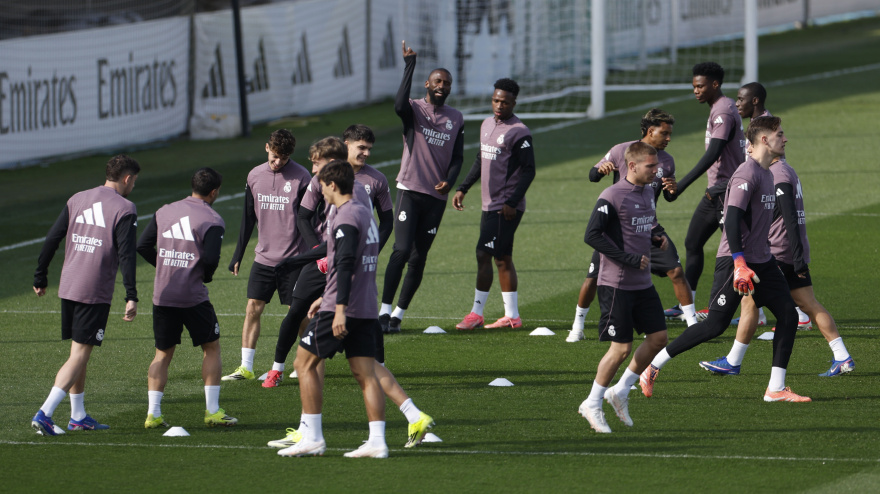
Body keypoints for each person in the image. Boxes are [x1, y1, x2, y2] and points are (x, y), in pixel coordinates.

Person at [640, 116, 811, 403]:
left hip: (762, 261)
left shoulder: (768, 173)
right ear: (765, 140)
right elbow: (731, 221)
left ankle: (776, 388)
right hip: (736, 262)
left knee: (788, 315)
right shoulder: (747, 174)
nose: (785, 138)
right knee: (714, 326)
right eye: (780, 134)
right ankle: (652, 366)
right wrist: (739, 262)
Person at [698, 137, 854, 378]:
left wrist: (796, 256)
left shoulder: (777, 174)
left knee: (749, 302)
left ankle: (733, 361)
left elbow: (788, 216)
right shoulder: (786, 170)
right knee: (808, 303)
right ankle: (842, 355)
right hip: (792, 249)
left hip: (778, 250)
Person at [276, 161, 388, 458]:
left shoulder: (346, 216)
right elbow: (337, 254)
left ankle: (313, 437)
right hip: (364, 305)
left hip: (342, 307)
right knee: (365, 373)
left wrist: (337, 307)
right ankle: (377, 442)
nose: (319, 190)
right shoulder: (364, 214)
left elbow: (346, 260)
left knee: (303, 364)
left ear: (333, 186)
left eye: (322, 185)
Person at [31, 155, 140, 435]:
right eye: (134, 181)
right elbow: (127, 255)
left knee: (78, 353)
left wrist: (40, 275)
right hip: (94, 290)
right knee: (79, 355)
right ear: (127, 178)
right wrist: (132, 294)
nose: (134, 186)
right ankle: (45, 412)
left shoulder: (77, 198)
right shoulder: (125, 208)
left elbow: (52, 237)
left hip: (69, 285)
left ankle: (78, 415)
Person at [568, 109, 698, 343]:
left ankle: (693, 325)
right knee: (593, 277)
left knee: (676, 271)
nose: (669, 139)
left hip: (649, 227)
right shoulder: (621, 150)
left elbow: (667, 196)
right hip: (619, 231)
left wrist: (672, 190)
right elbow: (592, 175)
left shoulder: (667, 161)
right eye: (665, 133)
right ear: (651, 131)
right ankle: (577, 326)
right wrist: (600, 170)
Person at [578, 142, 669, 433]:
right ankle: (592, 403)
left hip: (642, 284)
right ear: (632, 166)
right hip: (615, 284)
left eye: (656, 166)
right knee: (621, 349)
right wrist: (626, 257)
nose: (656, 171)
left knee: (658, 338)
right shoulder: (611, 196)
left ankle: (620, 390)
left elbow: (645, 224)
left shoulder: (647, 192)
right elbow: (592, 235)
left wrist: (656, 237)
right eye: (650, 166)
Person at [137, 168, 238, 428]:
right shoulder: (213, 219)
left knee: (161, 355)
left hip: (163, 296)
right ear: (214, 192)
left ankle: (153, 414)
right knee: (211, 348)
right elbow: (212, 258)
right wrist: (204, 275)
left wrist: (163, 266)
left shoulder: (164, 210)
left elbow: (142, 246)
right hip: (193, 298)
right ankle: (213, 412)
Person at [379, 41, 465, 334]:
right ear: (428, 84)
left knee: (419, 257)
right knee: (401, 250)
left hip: (436, 199)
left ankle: (398, 315)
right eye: (438, 81)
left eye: (447, 83)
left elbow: (458, 156)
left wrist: (450, 182)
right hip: (409, 191)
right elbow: (398, 104)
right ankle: (383, 311)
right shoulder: (414, 109)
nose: (442, 86)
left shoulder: (456, 118)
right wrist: (410, 64)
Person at [223, 129, 312, 381]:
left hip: (294, 259)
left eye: (283, 159)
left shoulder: (302, 177)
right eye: (274, 157)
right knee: (253, 307)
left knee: (298, 313)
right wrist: (238, 253)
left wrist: (313, 255)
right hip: (263, 258)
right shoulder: (254, 176)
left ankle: (306, 363)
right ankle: (246, 367)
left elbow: (308, 220)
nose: (277, 163)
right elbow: (247, 217)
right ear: (266, 148)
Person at [261, 137, 350, 387]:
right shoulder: (316, 182)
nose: (312, 169)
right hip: (319, 259)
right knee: (296, 311)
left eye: (316, 163)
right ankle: (276, 369)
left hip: (346, 262)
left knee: (355, 320)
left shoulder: (361, 187)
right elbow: (303, 217)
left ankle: (373, 366)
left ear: (331, 162)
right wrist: (318, 253)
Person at [663, 62, 745, 318]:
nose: (696, 91)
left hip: (728, 191)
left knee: (739, 251)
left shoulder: (723, 112)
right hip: (716, 191)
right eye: (694, 87)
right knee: (693, 241)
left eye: (700, 86)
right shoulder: (720, 108)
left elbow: (714, 153)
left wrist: (682, 185)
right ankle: (687, 305)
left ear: (715, 84)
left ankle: (758, 308)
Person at [453, 78, 536, 330]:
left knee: (483, 253)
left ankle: (476, 314)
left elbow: (529, 170)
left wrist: (511, 202)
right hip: (489, 204)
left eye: (505, 102)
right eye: (496, 100)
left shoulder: (520, 131)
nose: (499, 105)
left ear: (514, 103)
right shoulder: (487, 124)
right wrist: (463, 188)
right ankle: (512, 316)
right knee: (502, 257)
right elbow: (481, 160)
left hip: (505, 207)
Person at [343, 124, 394, 252]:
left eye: (369, 149)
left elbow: (387, 221)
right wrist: (315, 247)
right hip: (327, 250)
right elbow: (307, 215)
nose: (367, 153)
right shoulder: (327, 174)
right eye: (362, 148)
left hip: (360, 251)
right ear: (346, 145)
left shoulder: (377, 179)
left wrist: (372, 250)